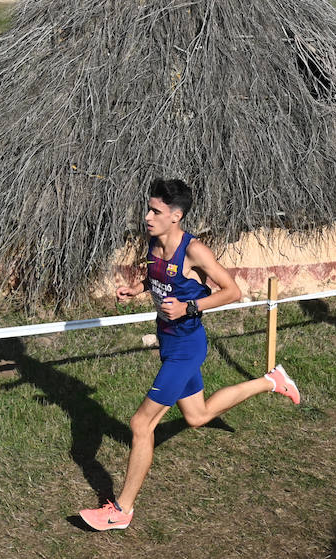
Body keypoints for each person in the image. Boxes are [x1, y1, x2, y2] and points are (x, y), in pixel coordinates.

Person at [80, 179, 301, 531]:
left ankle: (121, 511)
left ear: (176, 216)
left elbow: (232, 292)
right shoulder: (154, 241)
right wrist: (136, 289)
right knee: (197, 416)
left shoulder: (195, 250)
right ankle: (271, 381)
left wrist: (190, 307)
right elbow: (155, 276)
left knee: (140, 424)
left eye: (155, 211)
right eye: (148, 209)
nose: (147, 216)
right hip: (168, 342)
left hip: (187, 347)